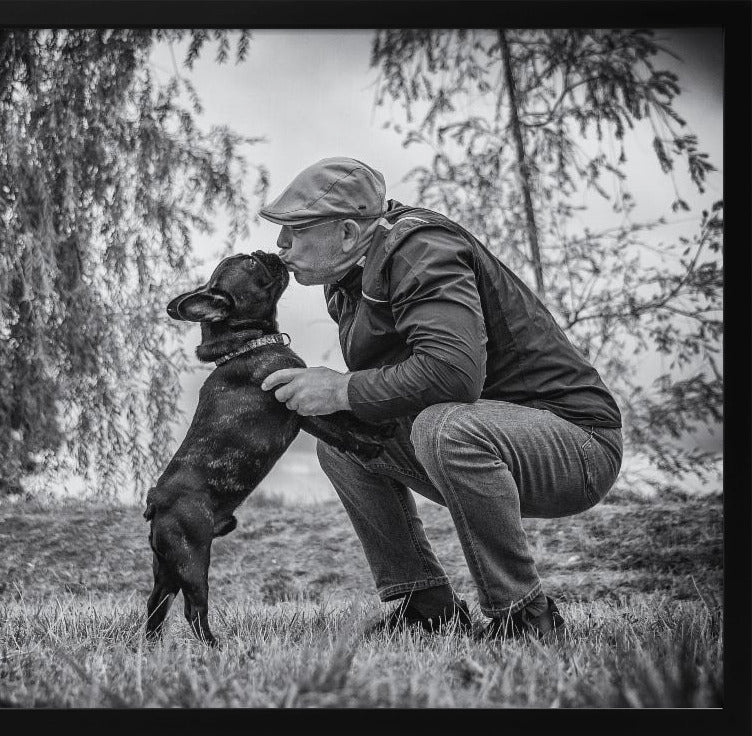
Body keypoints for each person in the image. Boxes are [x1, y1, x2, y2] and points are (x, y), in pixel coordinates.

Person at [258, 157, 623, 640]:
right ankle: (426, 607)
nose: (281, 245)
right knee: (343, 440)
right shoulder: (349, 280)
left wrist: (340, 388)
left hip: (577, 444)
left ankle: (524, 614)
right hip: (492, 435)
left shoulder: (420, 250)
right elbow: (396, 384)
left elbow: (453, 375)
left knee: (444, 424)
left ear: (347, 232)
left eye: (295, 230)